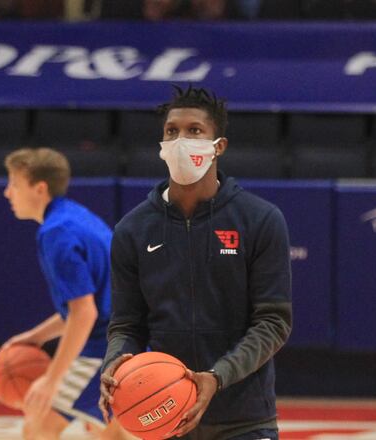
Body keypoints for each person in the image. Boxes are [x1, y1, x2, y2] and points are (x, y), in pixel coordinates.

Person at [99, 85, 292, 440]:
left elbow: (273, 322)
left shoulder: (261, 219)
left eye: (194, 131)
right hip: (166, 416)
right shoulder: (132, 229)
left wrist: (217, 377)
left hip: (244, 418)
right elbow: (126, 324)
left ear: (219, 146)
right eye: (171, 132)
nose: (180, 140)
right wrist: (115, 362)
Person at [2, 147, 130, 439]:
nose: (7, 193)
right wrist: (36, 337)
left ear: (39, 188)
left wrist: (51, 379)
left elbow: (85, 313)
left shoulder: (56, 233)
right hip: (129, 338)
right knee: (110, 433)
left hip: (106, 348)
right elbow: (90, 304)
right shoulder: (75, 216)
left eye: (14, 184)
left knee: (39, 424)